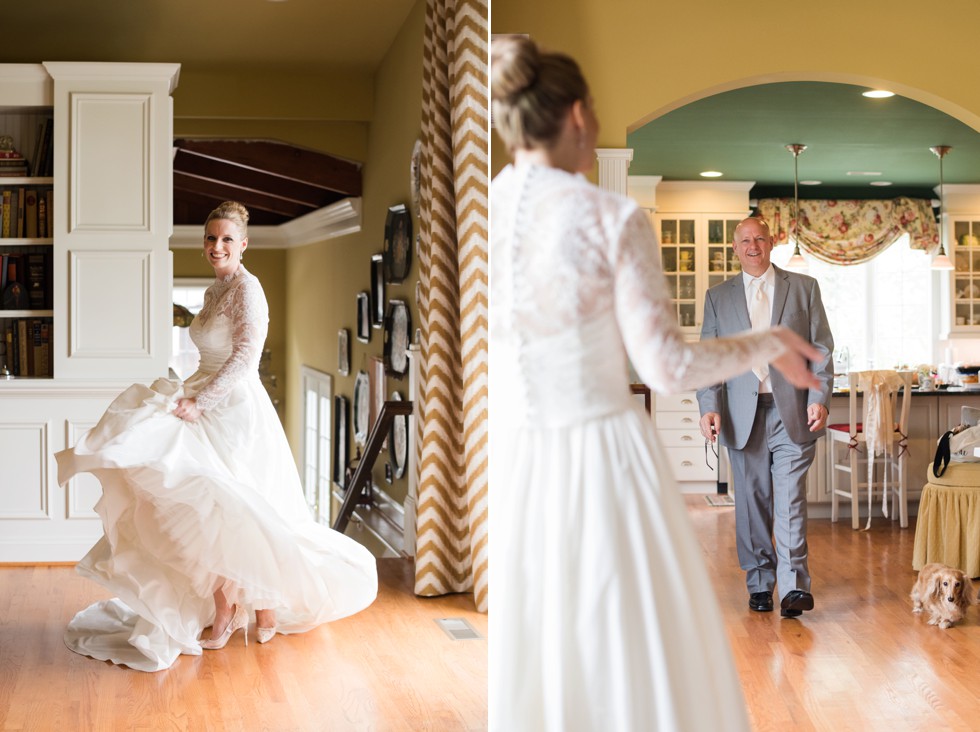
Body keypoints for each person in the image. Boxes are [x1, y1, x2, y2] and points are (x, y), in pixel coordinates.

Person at [490, 36, 823, 731]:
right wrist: (771, 343)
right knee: (631, 643)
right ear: (578, 116)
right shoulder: (610, 217)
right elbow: (665, 367)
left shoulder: (490, 208)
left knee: (551, 639)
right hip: (603, 454)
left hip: (521, 457)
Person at [56, 201, 377, 672]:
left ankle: (246, 606)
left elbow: (245, 359)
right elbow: (210, 352)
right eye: (211, 238)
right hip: (202, 393)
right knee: (207, 503)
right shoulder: (214, 290)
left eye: (227, 239)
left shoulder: (249, 290)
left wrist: (199, 403)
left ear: (243, 245)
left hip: (234, 410)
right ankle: (240, 605)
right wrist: (187, 391)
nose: (217, 246)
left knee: (232, 504)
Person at [697, 217, 834, 618]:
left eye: (759, 237)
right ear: (735, 248)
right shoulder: (717, 297)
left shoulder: (803, 288)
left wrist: (819, 396)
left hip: (792, 410)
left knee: (789, 500)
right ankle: (759, 582)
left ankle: (793, 588)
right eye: (745, 240)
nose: (753, 245)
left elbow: (821, 348)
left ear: (771, 242)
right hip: (742, 415)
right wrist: (709, 406)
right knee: (752, 502)